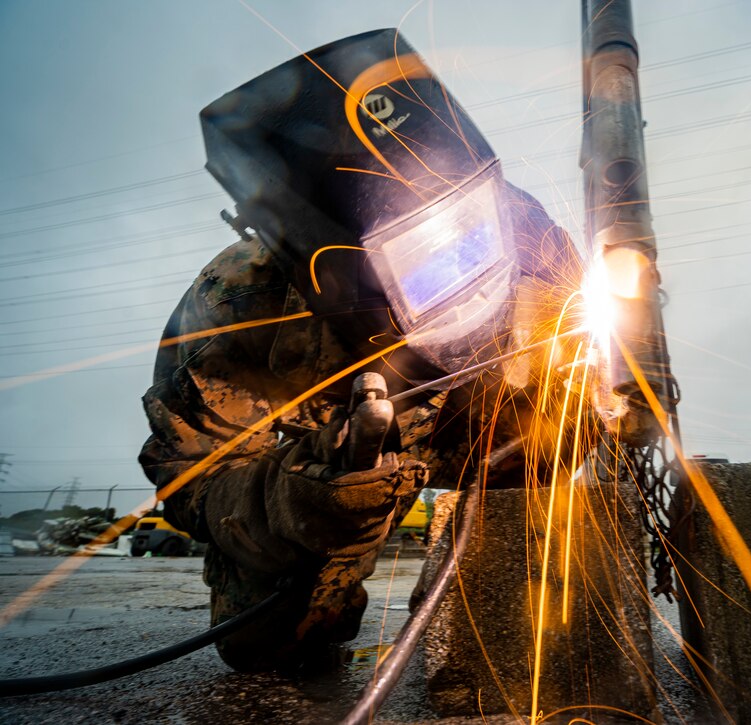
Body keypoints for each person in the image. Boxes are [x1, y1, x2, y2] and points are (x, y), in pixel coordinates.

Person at [138, 30, 582, 671]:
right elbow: (189, 481)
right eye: (418, 266)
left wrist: (605, 381)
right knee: (271, 643)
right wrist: (312, 494)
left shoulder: (525, 227)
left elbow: (584, 328)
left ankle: (488, 629)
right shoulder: (233, 310)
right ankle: (325, 542)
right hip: (332, 461)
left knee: (558, 443)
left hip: (468, 423)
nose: (461, 288)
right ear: (329, 270)